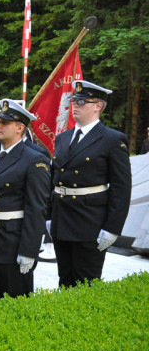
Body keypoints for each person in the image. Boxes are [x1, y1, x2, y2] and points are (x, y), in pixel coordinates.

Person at [50, 80, 132, 288]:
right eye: (74, 101)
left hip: (89, 221)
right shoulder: (63, 138)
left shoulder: (112, 139)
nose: (75, 105)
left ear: (98, 106)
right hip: (62, 218)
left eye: (82, 101)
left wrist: (113, 228)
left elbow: (122, 187)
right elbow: (55, 178)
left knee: (86, 284)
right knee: (65, 281)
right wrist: (50, 215)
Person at [0, 99, 50, 303]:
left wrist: (29, 250)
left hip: (12, 243)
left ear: (20, 128)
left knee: (16, 309)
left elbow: (36, 208)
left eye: (5, 122)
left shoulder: (34, 159)